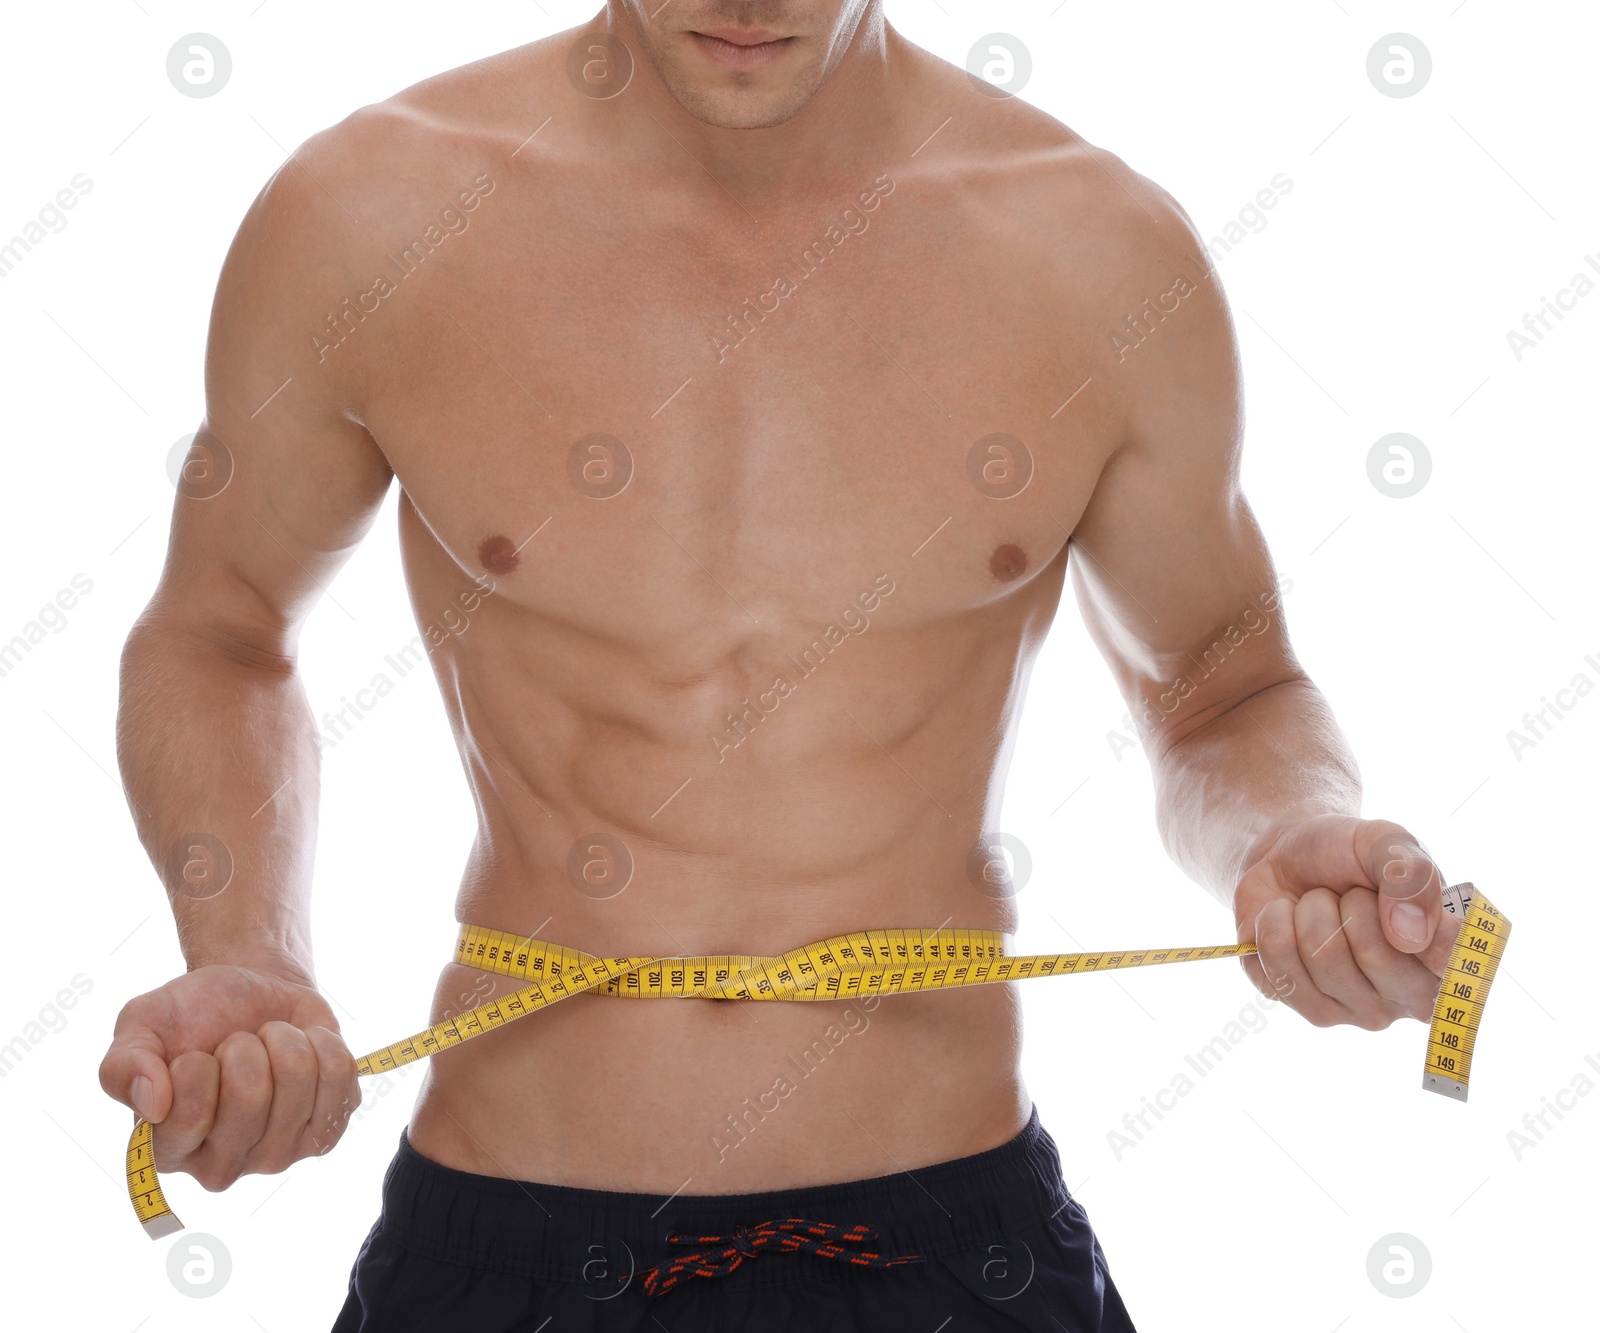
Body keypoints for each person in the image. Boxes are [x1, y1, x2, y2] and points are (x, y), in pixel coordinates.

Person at [98, 3, 1460, 1328]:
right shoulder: (371, 216)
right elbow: (218, 632)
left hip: (955, 1245)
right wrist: (251, 953)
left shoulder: (1094, 253)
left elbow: (1227, 690)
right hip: (508, 1238)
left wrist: (1290, 832)